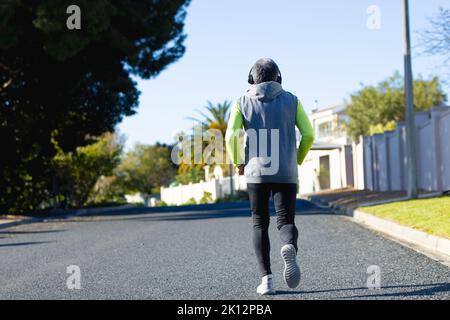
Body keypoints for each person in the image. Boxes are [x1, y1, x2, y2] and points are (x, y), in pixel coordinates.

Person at [225, 58, 314, 295]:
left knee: (259, 223)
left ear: (251, 79)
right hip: (285, 171)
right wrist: (296, 159)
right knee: (286, 221)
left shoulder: (241, 102)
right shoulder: (292, 100)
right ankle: (288, 245)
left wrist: (238, 162)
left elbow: (231, 136)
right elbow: (308, 135)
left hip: (256, 173)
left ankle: (267, 281)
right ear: (279, 78)